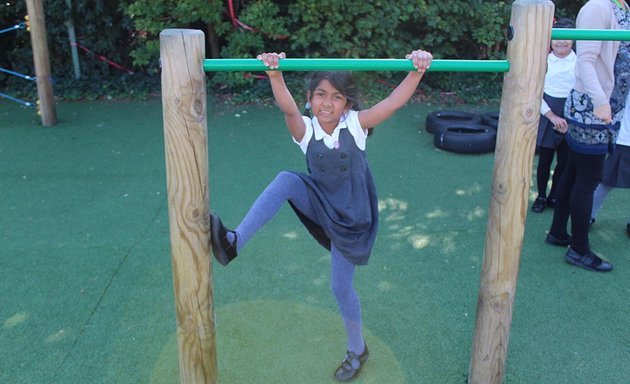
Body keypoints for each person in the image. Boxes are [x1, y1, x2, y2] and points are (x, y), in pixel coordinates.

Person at [209, 50, 432, 381]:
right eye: (320, 95)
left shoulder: (354, 125)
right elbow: (286, 108)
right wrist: (275, 74)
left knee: (340, 287)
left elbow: (391, 104)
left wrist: (417, 71)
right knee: (287, 179)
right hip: (320, 205)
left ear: (346, 104)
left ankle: (357, 349)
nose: (327, 103)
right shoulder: (306, 131)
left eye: (336, 97)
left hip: (352, 220)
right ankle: (233, 243)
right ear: (309, 99)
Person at [545, 0, 629, 272]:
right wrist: (600, 101)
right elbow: (586, 61)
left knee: (572, 170)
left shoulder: (623, 8)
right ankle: (579, 250)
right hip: (592, 109)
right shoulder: (598, 7)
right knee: (588, 178)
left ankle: (558, 232)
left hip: (607, 108)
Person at [532, 17, 576, 213]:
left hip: (571, 115)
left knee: (564, 162)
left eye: (567, 38)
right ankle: (541, 196)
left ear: (573, 39)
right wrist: (551, 116)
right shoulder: (544, 62)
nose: (561, 42)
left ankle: (555, 195)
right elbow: (535, 93)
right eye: (557, 38)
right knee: (545, 160)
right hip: (548, 112)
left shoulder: (580, 62)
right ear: (550, 40)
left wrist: (567, 118)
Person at [590, 90, 630, 236]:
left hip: (622, 137)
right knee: (607, 181)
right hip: (623, 138)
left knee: (606, 182)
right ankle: (589, 215)